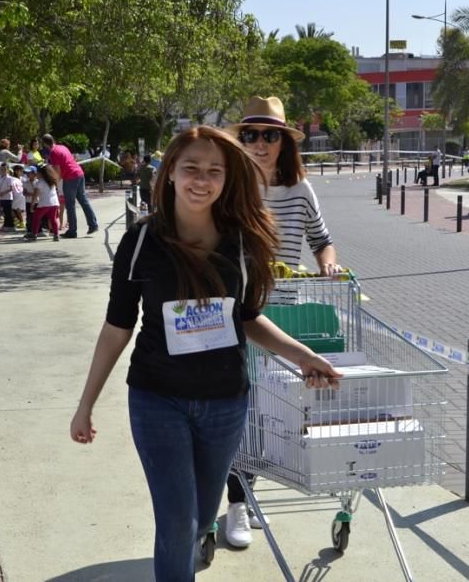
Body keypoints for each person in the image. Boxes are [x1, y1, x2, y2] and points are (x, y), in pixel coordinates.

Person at [70, 127, 341, 582]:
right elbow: (118, 326)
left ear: (227, 179)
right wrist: (86, 404)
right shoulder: (139, 241)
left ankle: (197, 540)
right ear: (170, 172)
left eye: (214, 171)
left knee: (199, 519)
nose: (202, 179)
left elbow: (249, 317)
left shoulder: (243, 242)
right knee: (176, 522)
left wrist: (302, 355)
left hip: (225, 403)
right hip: (158, 400)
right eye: (191, 168)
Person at [225, 95, 340, 547]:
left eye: (269, 135)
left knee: (272, 407)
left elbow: (322, 241)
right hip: (238, 311)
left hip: (286, 311)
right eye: (250, 135)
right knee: (244, 407)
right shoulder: (230, 186)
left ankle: (246, 496)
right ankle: (237, 503)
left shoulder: (299, 190)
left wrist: (328, 264)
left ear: (283, 142)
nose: (259, 143)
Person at [41, 134, 98, 239]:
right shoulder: (62, 147)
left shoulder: (53, 152)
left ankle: (72, 231)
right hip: (79, 173)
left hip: (70, 177)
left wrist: (53, 183)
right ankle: (93, 224)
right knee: (83, 200)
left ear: (45, 143)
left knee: (70, 205)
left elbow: (57, 171)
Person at [26, 163, 61, 241]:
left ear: (41, 173)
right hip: (54, 203)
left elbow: (35, 195)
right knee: (53, 219)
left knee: (36, 218)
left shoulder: (39, 183)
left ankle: (34, 234)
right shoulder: (52, 181)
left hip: (44, 203)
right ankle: (56, 235)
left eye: (37, 172)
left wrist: (32, 205)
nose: (36, 174)